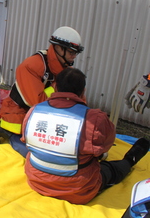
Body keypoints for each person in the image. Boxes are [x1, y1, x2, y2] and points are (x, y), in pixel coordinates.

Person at [21, 68, 150, 204]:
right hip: (78, 190)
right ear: (83, 91)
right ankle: (130, 159)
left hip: (37, 181)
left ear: (55, 87)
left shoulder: (33, 111)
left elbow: (25, 139)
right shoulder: (95, 118)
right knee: (110, 170)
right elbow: (105, 146)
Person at [0, 26, 84, 153]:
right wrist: (59, 88)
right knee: (34, 149)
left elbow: (80, 101)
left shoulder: (67, 71)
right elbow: (37, 102)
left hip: (46, 113)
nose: (74, 56)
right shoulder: (31, 66)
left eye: (76, 53)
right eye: (71, 52)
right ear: (59, 48)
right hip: (20, 112)